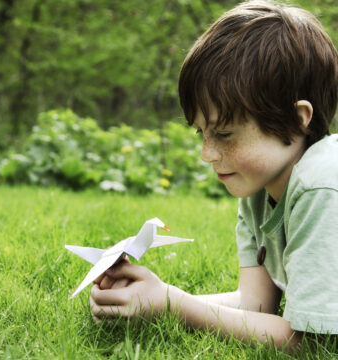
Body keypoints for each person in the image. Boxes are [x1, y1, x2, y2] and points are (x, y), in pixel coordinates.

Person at [89, 0, 338, 351]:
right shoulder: (258, 189)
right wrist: (150, 296)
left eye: (224, 134)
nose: (207, 154)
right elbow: (255, 306)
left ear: (298, 119)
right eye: (201, 133)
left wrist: (172, 302)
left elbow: (312, 341)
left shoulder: (323, 187)